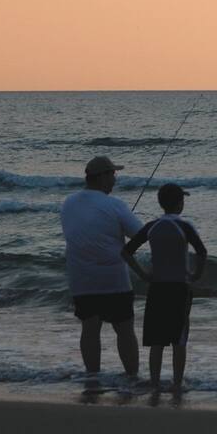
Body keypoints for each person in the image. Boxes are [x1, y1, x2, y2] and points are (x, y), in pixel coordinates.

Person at [60, 156, 144, 383]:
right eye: (113, 175)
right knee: (124, 330)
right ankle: (132, 378)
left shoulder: (68, 203)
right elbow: (140, 234)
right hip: (113, 279)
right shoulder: (115, 205)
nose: (115, 180)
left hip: (81, 279)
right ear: (103, 176)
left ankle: (92, 376)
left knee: (90, 328)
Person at [122, 183, 207, 392]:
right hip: (179, 288)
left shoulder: (152, 226)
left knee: (157, 339)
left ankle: (154, 382)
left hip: (157, 288)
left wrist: (143, 274)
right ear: (180, 204)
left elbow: (126, 251)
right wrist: (195, 274)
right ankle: (178, 383)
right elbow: (202, 252)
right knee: (179, 339)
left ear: (161, 203)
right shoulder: (185, 226)